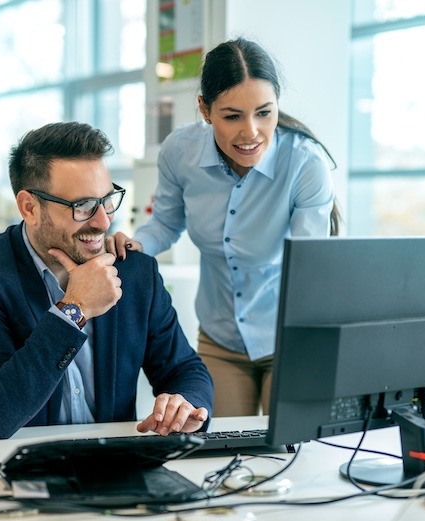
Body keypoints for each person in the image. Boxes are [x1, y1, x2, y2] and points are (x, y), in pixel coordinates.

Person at [108, 37, 339, 417]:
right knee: (222, 455)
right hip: (219, 339)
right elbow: (165, 224)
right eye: (232, 116)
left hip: (290, 335)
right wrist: (131, 245)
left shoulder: (303, 163)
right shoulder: (179, 151)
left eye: (264, 113)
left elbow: (309, 267)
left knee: (295, 455)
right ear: (204, 109)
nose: (251, 132)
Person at [0, 121, 214, 439]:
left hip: (111, 466)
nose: (103, 221)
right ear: (29, 208)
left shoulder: (134, 271)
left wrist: (185, 403)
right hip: (14, 463)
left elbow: (185, 369)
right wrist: (75, 308)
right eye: (82, 206)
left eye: (107, 200)